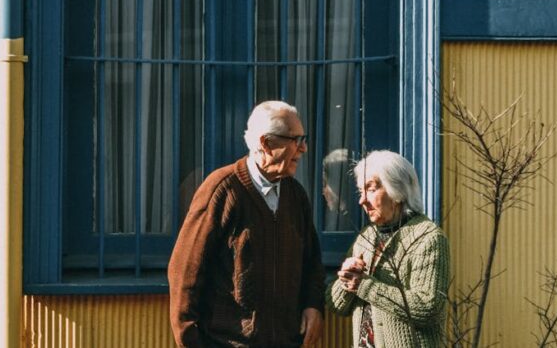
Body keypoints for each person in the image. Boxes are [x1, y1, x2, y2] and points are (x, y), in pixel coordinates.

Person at [168, 100, 325, 347]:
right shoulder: (222, 190)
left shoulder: (296, 195)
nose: (303, 148)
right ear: (266, 143)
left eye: (303, 139)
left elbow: (312, 261)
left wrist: (313, 304)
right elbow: (185, 273)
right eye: (295, 139)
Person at [327, 150, 450, 348]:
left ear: (398, 192)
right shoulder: (366, 237)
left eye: (371, 189)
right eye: (361, 191)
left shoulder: (428, 238)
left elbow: (428, 307)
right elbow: (336, 306)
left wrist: (364, 286)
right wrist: (345, 280)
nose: (362, 200)